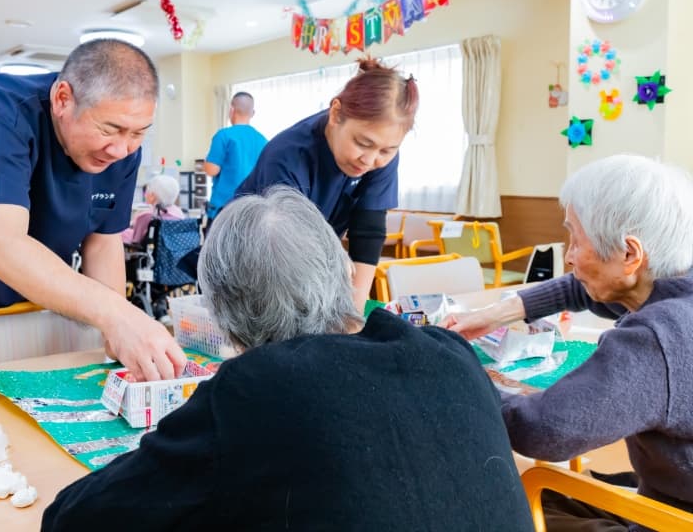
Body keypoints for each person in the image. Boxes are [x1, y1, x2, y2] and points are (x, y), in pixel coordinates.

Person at [41, 186, 533, 531]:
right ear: (342, 272)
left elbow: (76, 519)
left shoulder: (257, 389)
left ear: (225, 316)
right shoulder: (449, 352)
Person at [0, 38, 185, 382]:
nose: (122, 148)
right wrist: (118, 316)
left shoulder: (120, 151)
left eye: (138, 133)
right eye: (110, 129)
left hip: (22, 307)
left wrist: (116, 339)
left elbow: (103, 241)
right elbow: (3, 246)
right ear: (62, 99)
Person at [441, 154, 693, 529]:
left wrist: (460, 373)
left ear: (629, 253)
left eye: (575, 238)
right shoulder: (671, 286)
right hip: (673, 495)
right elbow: (586, 289)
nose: (569, 257)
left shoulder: (656, 339)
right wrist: (491, 316)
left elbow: (541, 430)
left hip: (671, 518)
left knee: (486, 508)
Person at [236, 57, 419, 311]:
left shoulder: (381, 157)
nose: (369, 160)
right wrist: (333, 254)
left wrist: (355, 312)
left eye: (387, 150)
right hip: (252, 257)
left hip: (310, 259)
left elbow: (368, 231)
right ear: (335, 114)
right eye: (362, 143)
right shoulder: (287, 155)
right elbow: (285, 243)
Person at [203, 91, 267, 222]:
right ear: (252, 113)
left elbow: (211, 169)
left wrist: (206, 160)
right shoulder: (263, 140)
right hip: (252, 210)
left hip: (225, 209)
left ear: (231, 109)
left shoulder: (224, 135)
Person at [121, 174, 184, 245]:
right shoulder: (178, 213)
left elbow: (136, 241)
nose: (145, 194)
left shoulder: (146, 216)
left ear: (152, 196)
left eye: (147, 191)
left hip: (149, 252)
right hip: (171, 251)